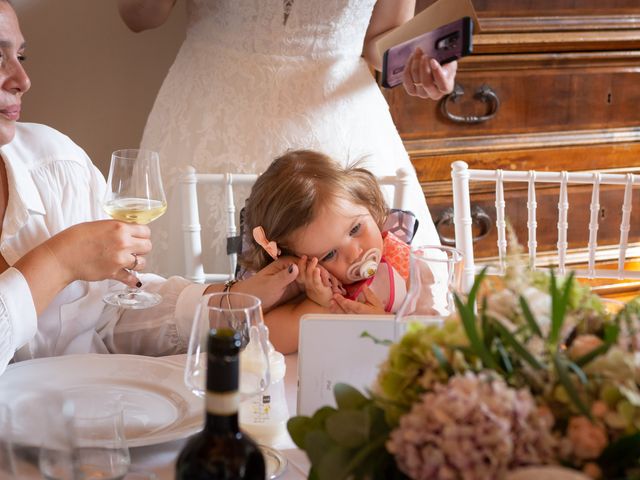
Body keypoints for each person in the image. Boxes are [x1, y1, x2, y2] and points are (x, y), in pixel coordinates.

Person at [0, 0, 299, 376]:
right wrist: (59, 262)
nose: (21, 80)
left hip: (90, 419)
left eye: (21, 57)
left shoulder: (57, 164)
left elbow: (109, 314)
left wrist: (229, 300)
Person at [117, 0, 457, 278]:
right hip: (209, 116)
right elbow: (138, 16)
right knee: (185, 305)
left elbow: (381, 36)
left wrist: (421, 62)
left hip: (338, 123)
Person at [241, 150, 442, 354]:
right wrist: (319, 304)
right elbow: (267, 339)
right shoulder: (311, 289)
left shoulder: (408, 266)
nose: (354, 253)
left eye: (355, 229)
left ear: (368, 205)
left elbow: (430, 337)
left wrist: (385, 324)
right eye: (329, 254)